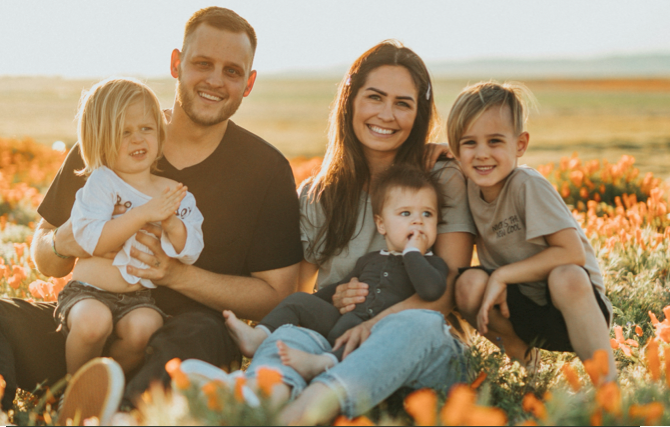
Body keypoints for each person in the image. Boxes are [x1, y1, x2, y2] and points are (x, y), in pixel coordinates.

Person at [0, 7, 303, 421]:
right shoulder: (111, 137)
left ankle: (121, 415)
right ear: (177, 64)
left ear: (248, 83)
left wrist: (177, 275)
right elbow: (45, 252)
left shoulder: (265, 170)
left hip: (178, 340)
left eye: (232, 71)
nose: (215, 80)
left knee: (199, 333)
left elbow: (278, 294)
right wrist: (62, 242)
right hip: (87, 327)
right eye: (202, 64)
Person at [183, 40, 476, 425]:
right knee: (293, 334)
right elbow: (296, 294)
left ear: (418, 114)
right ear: (350, 101)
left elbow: (447, 293)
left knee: (413, 325)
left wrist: (372, 325)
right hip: (334, 345)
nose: (386, 114)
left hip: (422, 352)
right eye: (375, 97)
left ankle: (299, 416)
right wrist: (332, 297)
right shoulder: (318, 195)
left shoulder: (439, 178)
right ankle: (257, 396)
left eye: (403, 103)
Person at [448, 81, 616, 380]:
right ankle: (528, 367)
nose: (482, 154)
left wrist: (502, 274)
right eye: (470, 143)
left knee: (567, 275)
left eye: (495, 141)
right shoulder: (468, 189)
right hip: (520, 310)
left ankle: (607, 387)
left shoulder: (527, 185)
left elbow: (571, 252)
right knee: (467, 284)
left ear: (520, 145)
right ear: (456, 150)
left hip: (573, 308)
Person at [224, 164, 449, 378]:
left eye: (427, 214)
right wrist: (316, 303)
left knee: (359, 335)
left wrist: (413, 253)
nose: (418, 222)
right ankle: (259, 336)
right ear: (382, 225)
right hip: (343, 322)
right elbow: (337, 288)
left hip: (380, 334)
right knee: (299, 300)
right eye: (406, 214)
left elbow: (430, 290)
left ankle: (323, 363)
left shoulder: (433, 264)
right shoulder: (369, 260)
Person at [57, 77, 204, 377]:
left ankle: (110, 388)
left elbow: (190, 251)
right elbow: (92, 241)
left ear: (160, 134)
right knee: (92, 323)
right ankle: (73, 389)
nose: (138, 140)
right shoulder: (101, 182)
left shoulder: (174, 192)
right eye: (124, 132)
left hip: (138, 299)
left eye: (146, 129)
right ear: (100, 139)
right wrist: (142, 214)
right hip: (88, 292)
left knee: (145, 328)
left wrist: (171, 223)